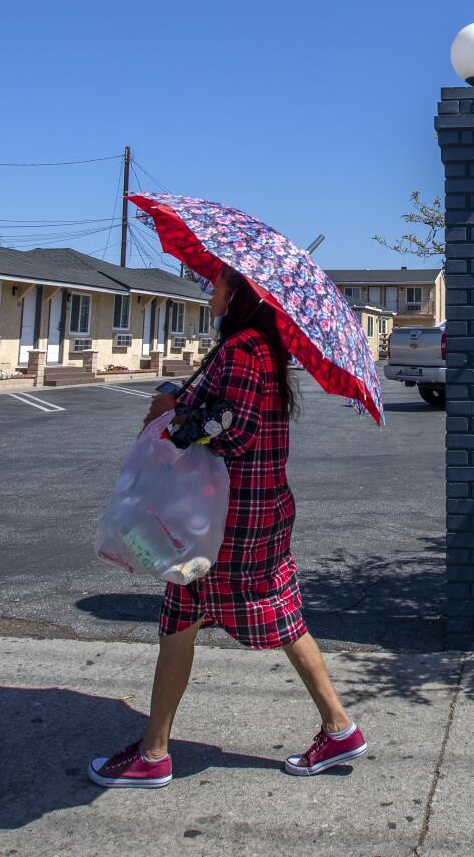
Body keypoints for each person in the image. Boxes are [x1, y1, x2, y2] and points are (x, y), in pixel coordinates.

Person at [88, 266, 366, 789]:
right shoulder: (257, 349)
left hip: (229, 519)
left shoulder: (242, 351)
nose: (209, 291)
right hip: (254, 509)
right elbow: (232, 419)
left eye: (217, 284)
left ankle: (334, 725)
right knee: (201, 615)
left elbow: (230, 431)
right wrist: (184, 404)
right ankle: (159, 749)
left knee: (241, 614)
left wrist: (169, 414)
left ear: (238, 295)